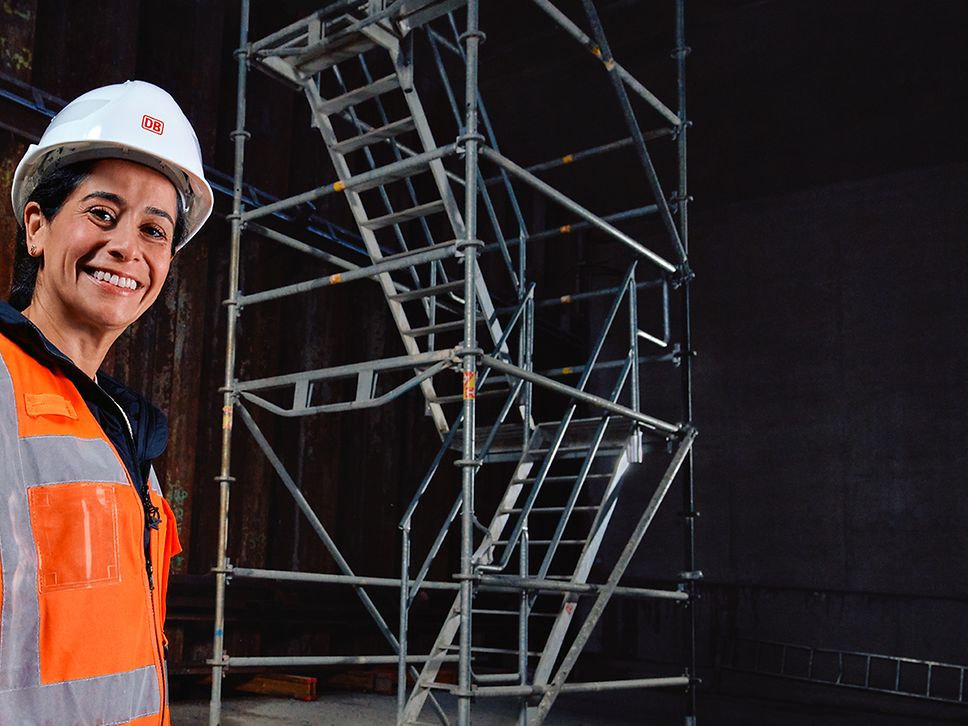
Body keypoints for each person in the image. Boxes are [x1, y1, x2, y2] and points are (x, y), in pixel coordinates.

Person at [0, 80, 213, 725]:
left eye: (155, 230)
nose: (128, 247)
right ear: (38, 226)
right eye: (102, 213)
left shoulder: (122, 430)